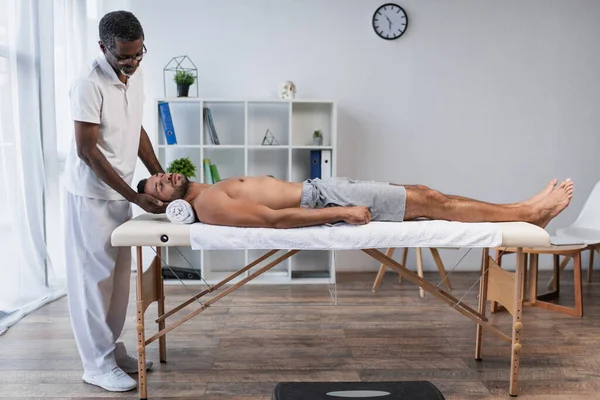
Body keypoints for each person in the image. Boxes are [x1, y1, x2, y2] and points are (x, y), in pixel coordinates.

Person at [63, 11, 166, 393]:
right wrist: (134, 195)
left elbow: (135, 127)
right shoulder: (88, 85)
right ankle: (95, 364)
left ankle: (111, 348)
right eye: (125, 57)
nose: (133, 62)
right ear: (103, 47)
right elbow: (87, 151)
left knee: (120, 278)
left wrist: (157, 173)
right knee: (95, 282)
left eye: (139, 54)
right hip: (92, 197)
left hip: (120, 193)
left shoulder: (133, 76)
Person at [136, 173, 573, 229]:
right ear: (165, 205)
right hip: (324, 197)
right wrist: (342, 212)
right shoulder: (209, 205)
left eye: (157, 175)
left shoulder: (209, 189)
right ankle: (529, 214)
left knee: (425, 196)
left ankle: (520, 209)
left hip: (321, 187)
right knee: (429, 199)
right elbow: (274, 219)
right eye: (158, 186)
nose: (165, 177)